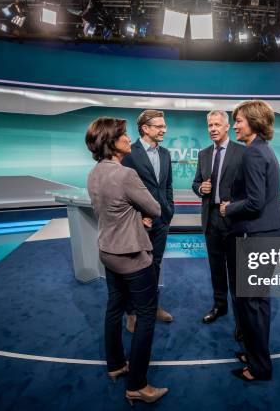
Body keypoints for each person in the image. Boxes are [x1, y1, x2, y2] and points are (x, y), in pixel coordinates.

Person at [86, 117, 168, 404]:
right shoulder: (126, 175)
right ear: (113, 142)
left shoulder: (94, 172)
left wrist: (133, 214)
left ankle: (116, 364)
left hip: (107, 252)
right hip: (132, 256)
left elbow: (114, 210)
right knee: (146, 317)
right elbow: (155, 208)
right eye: (123, 135)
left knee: (114, 308)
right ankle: (137, 385)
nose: (128, 139)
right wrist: (139, 212)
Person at [220, 100, 280, 382]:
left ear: (255, 122)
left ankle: (259, 368)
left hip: (259, 235)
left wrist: (228, 208)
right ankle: (254, 354)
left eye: (239, 120)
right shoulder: (261, 150)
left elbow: (255, 202)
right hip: (267, 234)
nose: (234, 125)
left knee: (252, 303)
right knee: (256, 301)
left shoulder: (254, 154)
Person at [122, 110, 174, 332]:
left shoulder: (165, 154)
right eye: (159, 126)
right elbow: (122, 191)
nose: (164, 129)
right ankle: (132, 313)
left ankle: (151, 307)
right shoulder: (128, 154)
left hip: (161, 221)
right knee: (134, 268)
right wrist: (138, 217)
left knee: (155, 265)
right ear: (145, 128)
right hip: (138, 223)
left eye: (164, 126)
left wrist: (168, 210)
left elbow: (167, 185)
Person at [192, 111, 245, 329]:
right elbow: (195, 183)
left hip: (233, 220)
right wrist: (200, 188)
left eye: (217, 125)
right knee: (216, 269)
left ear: (227, 127)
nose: (212, 129)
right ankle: (219, 306)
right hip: (211, 218)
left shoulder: (242, 153)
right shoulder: (204, 154)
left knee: (236, 272)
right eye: (209, 125)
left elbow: (250, 190)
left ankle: (241, 319)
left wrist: (232, 206)